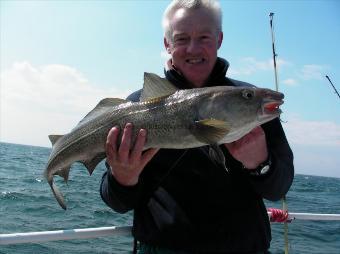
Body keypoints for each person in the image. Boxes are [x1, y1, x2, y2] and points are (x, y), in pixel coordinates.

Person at [100, 0, 294, 253]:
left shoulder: (252, 104)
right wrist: (123, 179)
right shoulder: (137, 107)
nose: (193, 48)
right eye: (181, 39)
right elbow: (116, 202)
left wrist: (260, 164)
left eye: (204, 36)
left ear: (219, 39)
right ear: (167, 44)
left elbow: (279, 187)